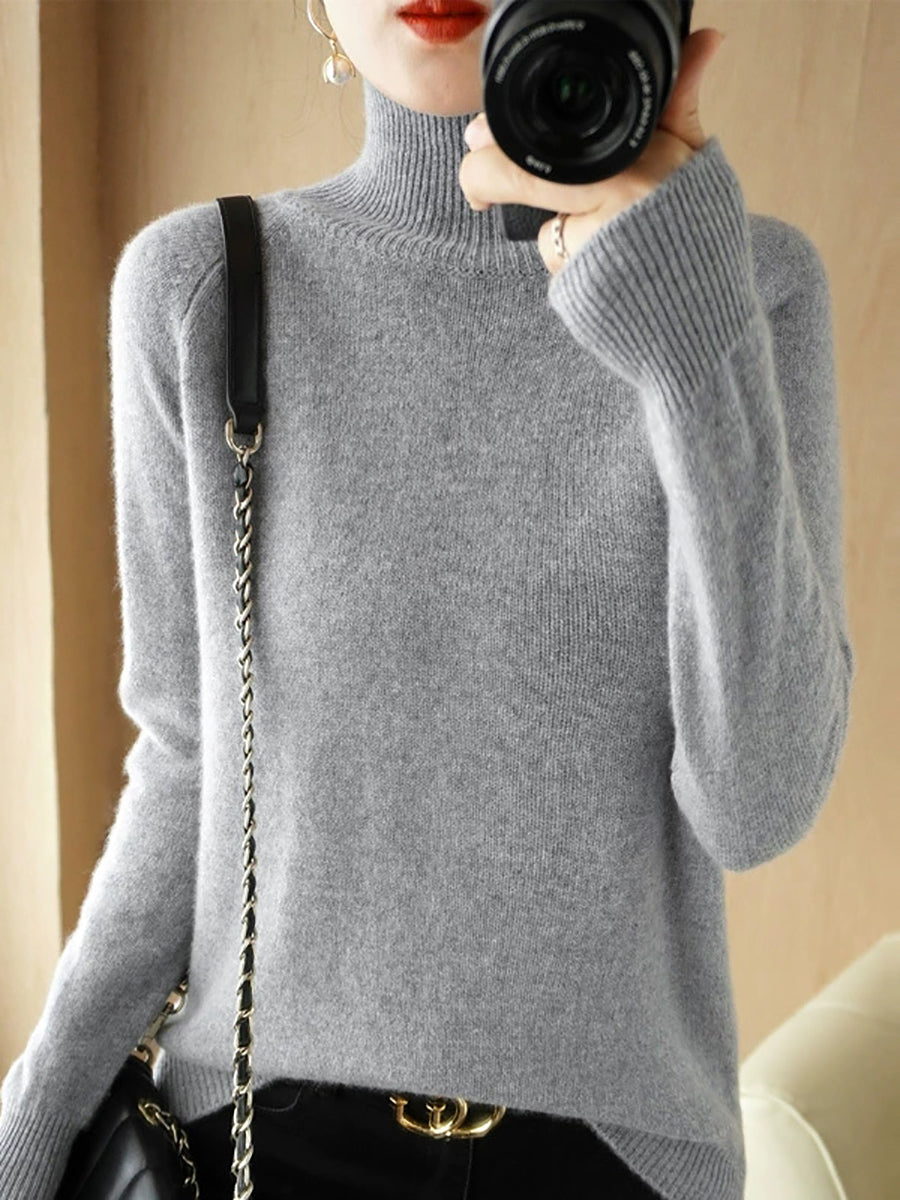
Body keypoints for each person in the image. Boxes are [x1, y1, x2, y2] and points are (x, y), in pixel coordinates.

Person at [0, 1, 855, 1198]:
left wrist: (686, 336)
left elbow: (756, 803)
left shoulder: (748, 290)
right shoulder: (203, 286)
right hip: (258, 1148)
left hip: (615, 1160)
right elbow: (189, 763)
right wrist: (34, 1122)